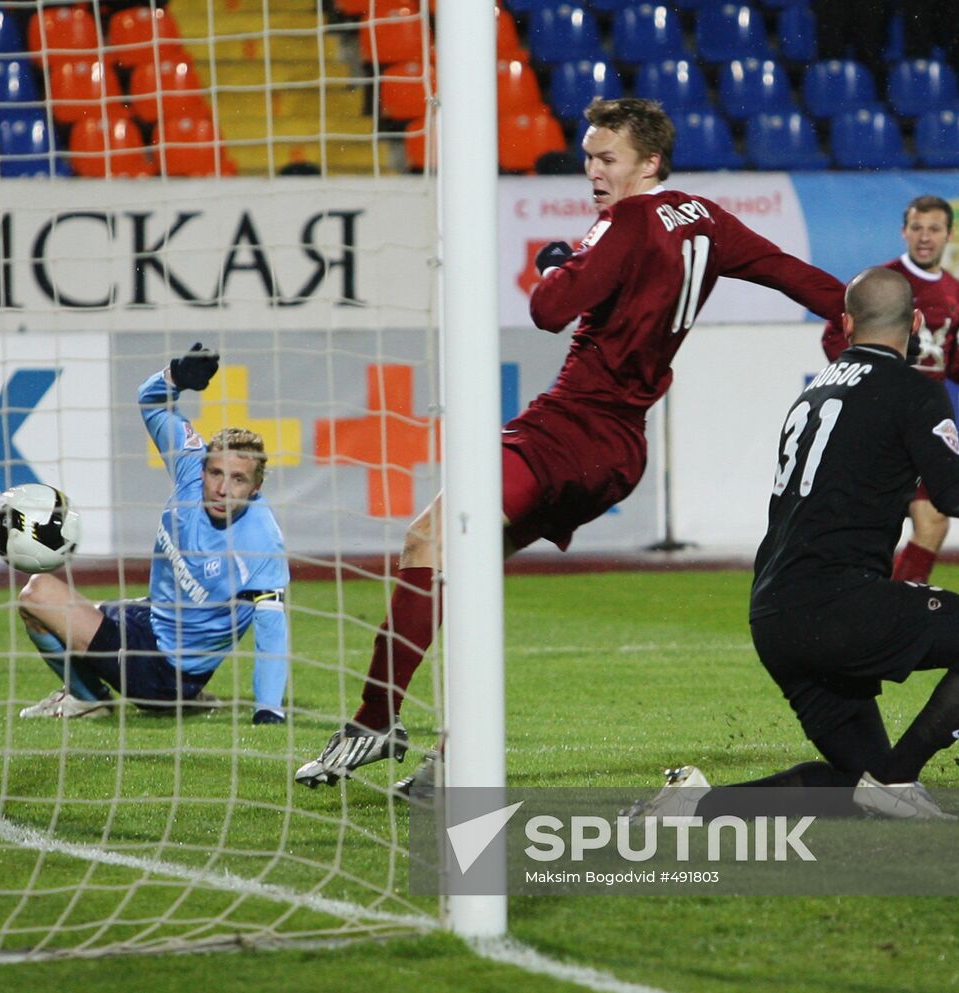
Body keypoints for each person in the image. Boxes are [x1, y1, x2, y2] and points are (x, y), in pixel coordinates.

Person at [294, 97, 847, 791]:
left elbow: (547, 308)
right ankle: (455, 760)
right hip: (618, 454)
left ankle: (375, 721)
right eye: (588, 156)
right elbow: (796, 276)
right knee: (460, 576)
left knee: (427, 544)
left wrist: (561, 259)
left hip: (566, 429)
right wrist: (866, 320)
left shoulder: (626, 220)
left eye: (606, 158)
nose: (592, 171)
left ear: (649, 162)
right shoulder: (704, 217)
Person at [633, 268, 959, 822]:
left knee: (853, 784)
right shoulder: (912, 390)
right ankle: (898, 781)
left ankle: (695, 805)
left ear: (846, 324)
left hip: (774, 614)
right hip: (839, 604)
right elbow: (957, 496)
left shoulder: (816, 389)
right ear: (917, 324)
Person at [16, 344, 290, 725]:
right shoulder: (190, 470)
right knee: (59, 610)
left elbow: (272, 632)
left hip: (166, 671)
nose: (222, 489)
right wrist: (175, 377)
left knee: (37, 594)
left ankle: (87, 699)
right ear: (204, 468)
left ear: (256, 489)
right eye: (216, 474)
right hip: (150, 620)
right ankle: (103, 694)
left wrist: (269, 711)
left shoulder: (260, 541)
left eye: (239, 479)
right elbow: (152, 401)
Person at [823, 195, 959, 585]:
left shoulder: (954, 291)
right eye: (917, 228)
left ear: (949, 235)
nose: (924, 237)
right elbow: (834, 339)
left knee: (933, 522)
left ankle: (888, 613)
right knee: (874, 526)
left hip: (924, 425)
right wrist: (876, 386)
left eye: (933, 229)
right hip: (881, 421)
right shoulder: (882, 283)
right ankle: (874, 610)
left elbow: (945, 355)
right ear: (903, 232)